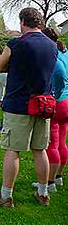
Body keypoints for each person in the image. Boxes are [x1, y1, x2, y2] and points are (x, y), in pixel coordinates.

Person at [0, 7, 57, 208]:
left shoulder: (17, 44)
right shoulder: (52, 46)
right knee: (39, 150)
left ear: (23, 22)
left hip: (19, 104)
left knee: (12, 150)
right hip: (44, 104)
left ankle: (6, 196)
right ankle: (43, 194)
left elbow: (0, 66)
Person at [37, 27, 68, 193]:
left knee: (52, 144)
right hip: (67, 102)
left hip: (59, 102)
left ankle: (49, 183)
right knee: (62, 141)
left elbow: (60, 75)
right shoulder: (65, 52)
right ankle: (58, 177)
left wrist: (55, 94)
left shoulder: (53, 55)